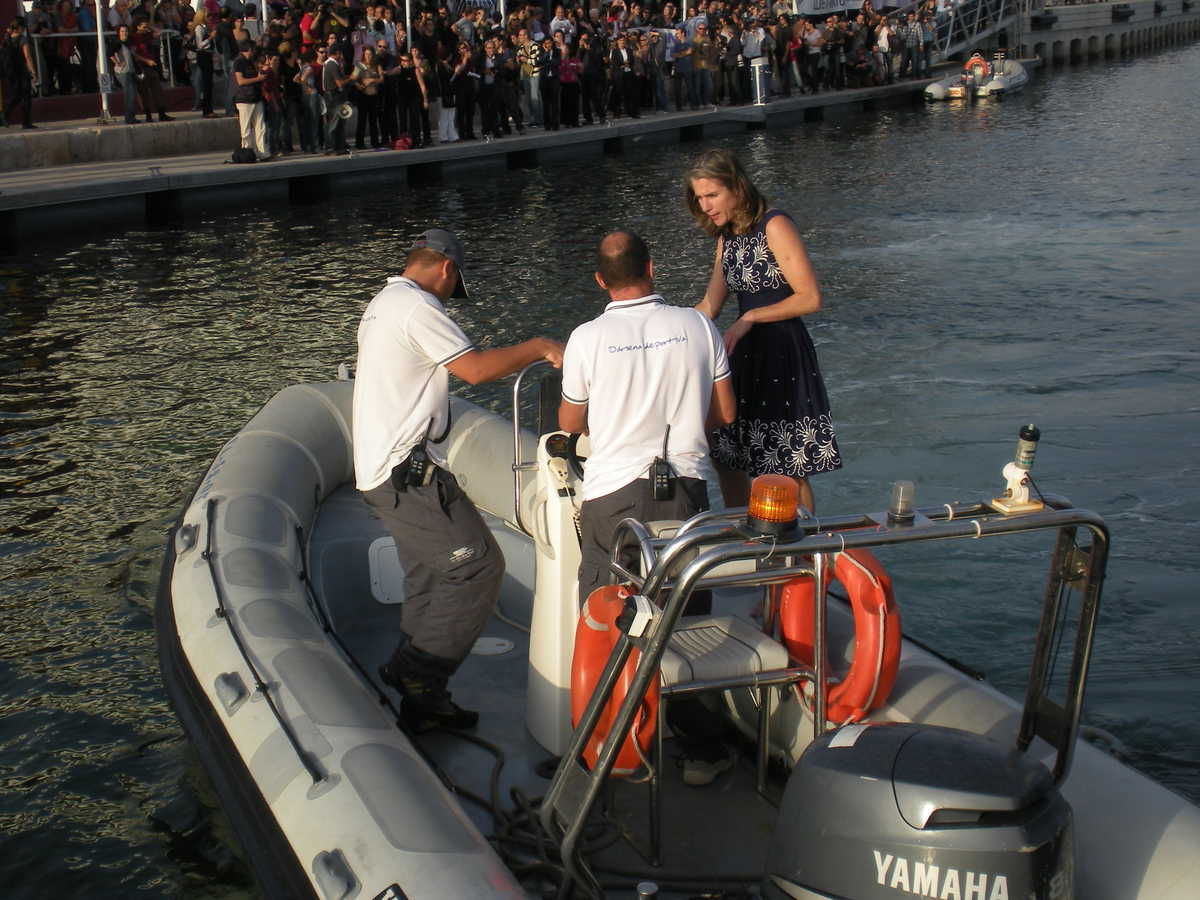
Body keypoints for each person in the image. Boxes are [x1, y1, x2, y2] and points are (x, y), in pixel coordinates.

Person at [358, 228, 563, 732]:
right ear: (447, 270)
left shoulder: (384, 301)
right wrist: (538, 346)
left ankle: (422, 698)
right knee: (476, 568)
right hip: (403, 471)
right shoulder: (417, 307)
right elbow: (473, 369)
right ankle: (417, 673)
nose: (451, 298)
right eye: (454, 286)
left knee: (431, 574)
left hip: (386, 467)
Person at [559, 231, 737, 785]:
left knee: (608, 613)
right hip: (684, 490)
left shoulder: (586, 338)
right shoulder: (697, 325)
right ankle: (701, 748)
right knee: (684, 622)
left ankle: (608, 743)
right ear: (652, 267)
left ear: (599, 280)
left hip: (612, 495)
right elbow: (724, 412)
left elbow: (570, 424)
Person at [687, 149, 842, 514]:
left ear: (737, 188)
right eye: (699, 198)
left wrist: (752, 317)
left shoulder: (775, 225)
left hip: (782, 354)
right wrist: (660, 324)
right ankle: (742, 536)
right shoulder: (726, 238)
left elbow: (810, 297)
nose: (706, 206)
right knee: (727, 457)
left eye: (712, 196)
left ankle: (802, 546)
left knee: (787, 465)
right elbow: (709, 306)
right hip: (743, 354)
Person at [233, 39, 269, 158]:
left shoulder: (251, 61)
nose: (254, 53)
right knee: (246, 128)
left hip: (256, 96)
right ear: (249, 50)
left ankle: (262, 152)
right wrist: (258, 79)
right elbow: (240, 81)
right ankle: (247, 152)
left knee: (260, 126)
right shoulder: (239, 62)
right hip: (244, 98)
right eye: (253, 50)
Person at [1, 19, 38, 129]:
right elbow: (27, 57)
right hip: (21, 71)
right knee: (26, 97)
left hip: (10, 72)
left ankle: (5, 115)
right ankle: (26, 122)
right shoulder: (22, 39)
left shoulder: (7, 38)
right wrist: (33, 72)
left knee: (16, 96)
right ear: (21, 27)